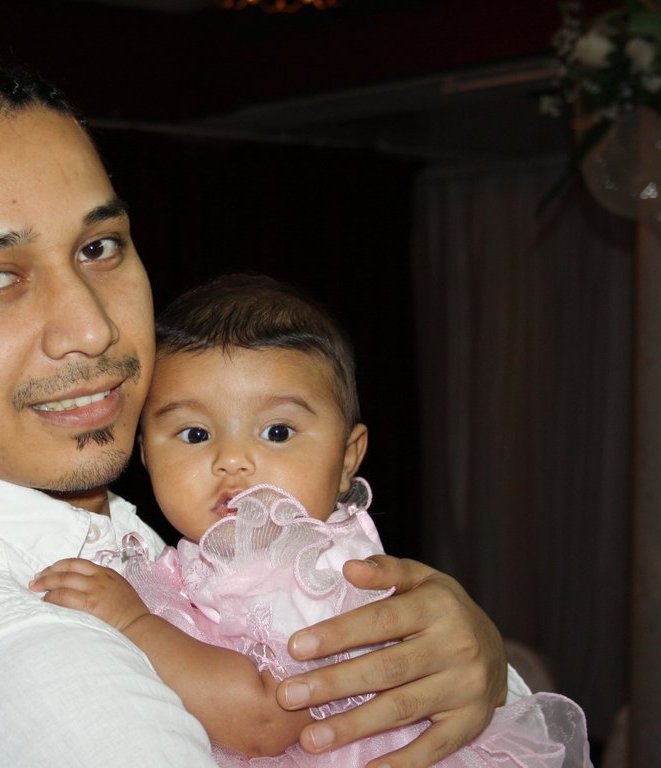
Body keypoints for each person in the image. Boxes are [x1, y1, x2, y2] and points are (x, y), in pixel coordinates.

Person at [0, 57, 509, 767]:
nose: (93, 326)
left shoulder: (132, 531)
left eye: (98, 247)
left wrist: (471, 665)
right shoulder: (37, 674)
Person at [32, 274, 592, 767]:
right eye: (195, 434)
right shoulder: (191, 558)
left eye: (277, 432)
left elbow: (268, 719)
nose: (233, 460)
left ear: (347, 458)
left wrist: (133, 623)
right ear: (147, 455)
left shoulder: (312, 568)